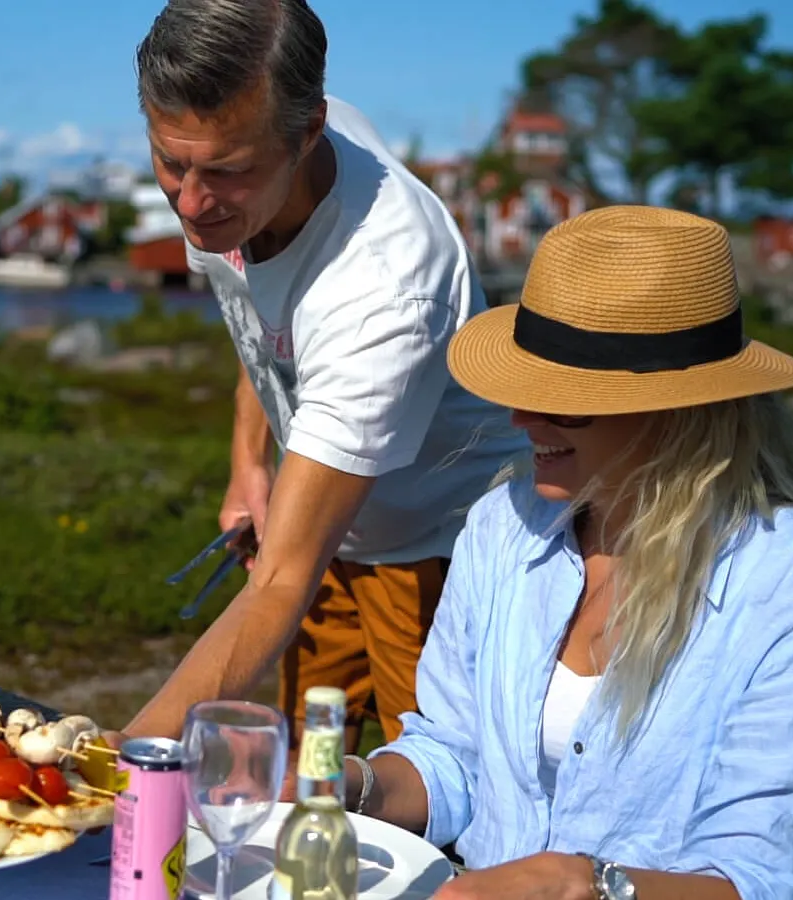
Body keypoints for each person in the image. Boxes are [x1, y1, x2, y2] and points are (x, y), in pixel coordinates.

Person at [342, 205, 793, 900]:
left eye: (563, 401)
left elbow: (763, 875)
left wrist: (587, 885)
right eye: (525, 390)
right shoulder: (502, 528)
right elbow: (452, 759)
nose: (520, 420)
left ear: (680, 410)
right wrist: (344, 787)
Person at [120, 0, 526, 749]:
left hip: (438, 545)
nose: (190, 202)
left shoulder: (386, 286)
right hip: (323, 521)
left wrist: (120, 759)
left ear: (308, 135)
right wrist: (249, 464)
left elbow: (279, 583)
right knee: (301, 758)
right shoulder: (238, 164)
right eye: (170, 161)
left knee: (439, 793)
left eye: (226, 173)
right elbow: (265, 327)